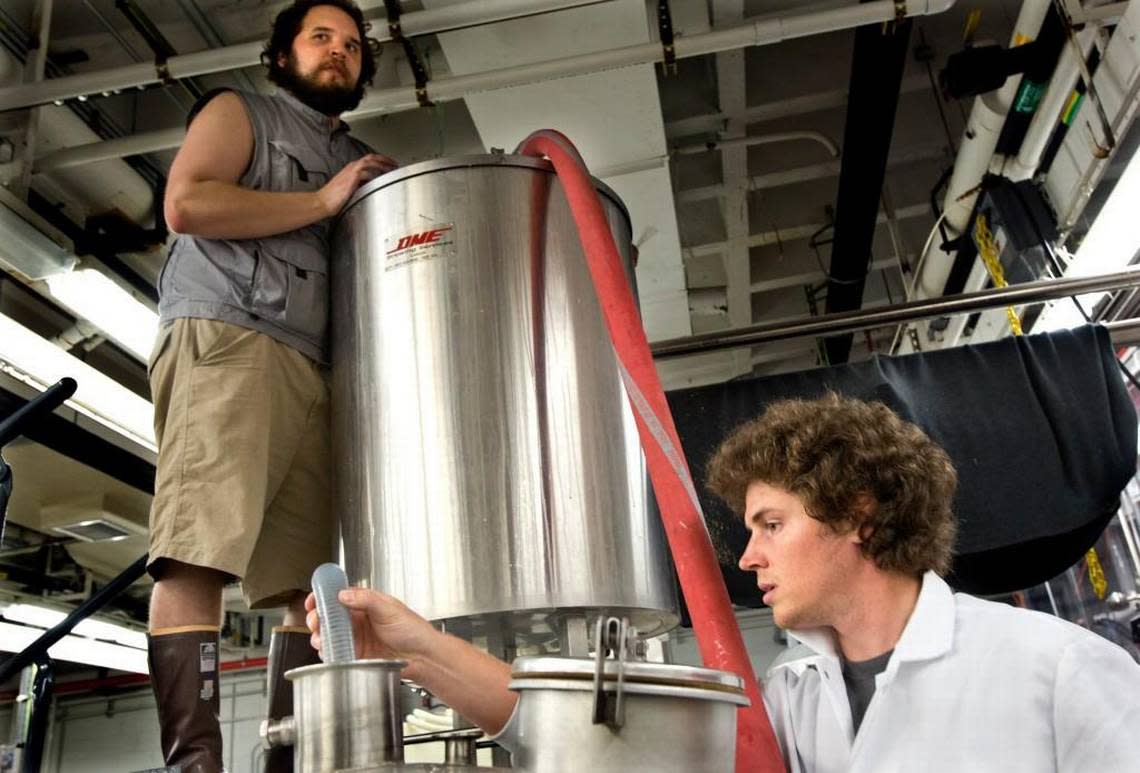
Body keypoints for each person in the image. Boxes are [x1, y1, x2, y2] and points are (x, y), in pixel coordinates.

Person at [308, 393, 1140, 772]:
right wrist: (411, 643)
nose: (747, 557)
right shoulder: (790, 696)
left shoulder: (1057, 671)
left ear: (857, 514)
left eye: (770, 524)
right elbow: (593, 738)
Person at [144, 1, 396, 770]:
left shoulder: (355, 152)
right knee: (197, 554)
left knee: (308, 584)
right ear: (283, 52)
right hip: (232, 337)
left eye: (353, 44)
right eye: (321, 37)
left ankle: (290, 758)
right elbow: (186, 203)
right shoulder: (239, 110)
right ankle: (196, 765)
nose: (338, 52)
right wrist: (322, 201)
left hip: (316, 367)